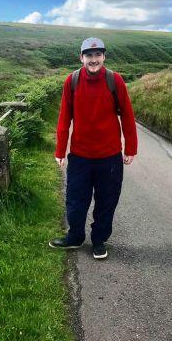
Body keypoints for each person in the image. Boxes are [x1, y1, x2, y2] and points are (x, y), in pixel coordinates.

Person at [49, 37, 138, 259]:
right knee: (76, 199)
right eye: (89, 55)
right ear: (81, 57)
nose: (94, 59)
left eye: (98, 55)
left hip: (109, 156)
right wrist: (60, 151)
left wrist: (131, 148)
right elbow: (64, 118)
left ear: (104, 57)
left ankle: (99, 240)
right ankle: (75, 237)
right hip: (80, 155)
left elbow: (127, 115)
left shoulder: (114, 80)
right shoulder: (72, 81)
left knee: (107, 200)